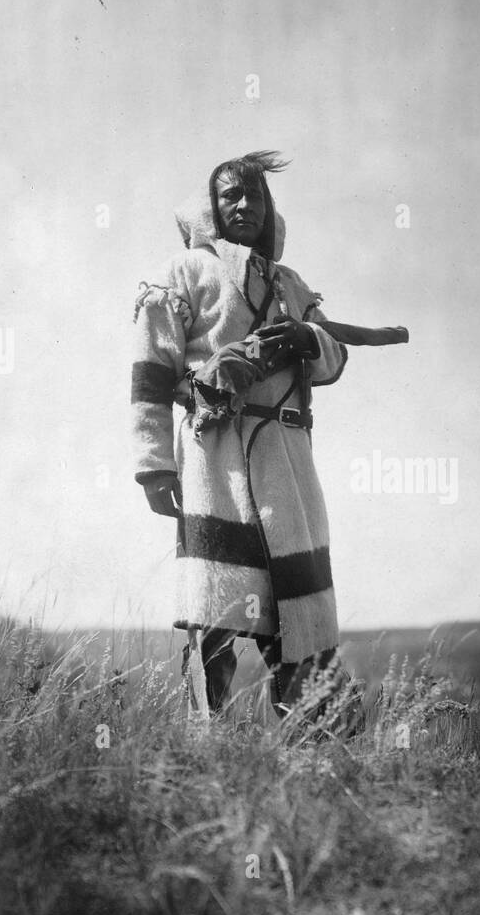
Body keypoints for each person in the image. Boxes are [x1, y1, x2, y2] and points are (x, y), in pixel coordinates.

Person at [131, 151, 355, 723]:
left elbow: (331, 362)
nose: (244, 205)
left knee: (300, 610)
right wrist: (155, 464)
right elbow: (153, 372)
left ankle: (318, 745)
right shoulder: (184, 273)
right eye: (231, 194)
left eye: (255, 195)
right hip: (217, 452)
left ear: (269, 207)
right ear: (212, 206)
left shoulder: (291, 284)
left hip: (288, 458)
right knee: (217, 607)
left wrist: (311, 341)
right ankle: (211, 747)